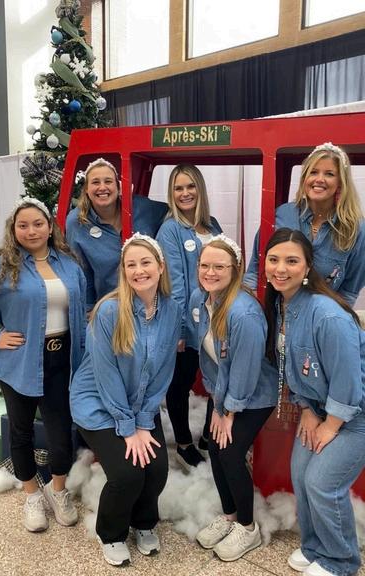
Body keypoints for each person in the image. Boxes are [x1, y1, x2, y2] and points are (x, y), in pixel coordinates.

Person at [0, 197, 86, 533]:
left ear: (50, 227)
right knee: (21, 432)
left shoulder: (69, 263)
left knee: (60, 433)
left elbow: (82, 306)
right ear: (13, 230)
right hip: (20, 360)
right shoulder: (2, 266)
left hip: (63, 359)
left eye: (38, 224)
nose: (31, 231)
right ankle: (32, 495)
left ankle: (57, 490)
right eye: (22, 225)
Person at [69, 233, 181, 567]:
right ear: (124, 271)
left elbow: (163, 370)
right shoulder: (109, 311)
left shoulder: (171, 310)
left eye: (145, 263)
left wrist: (144, 421)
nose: (138, 270)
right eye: (131, 265)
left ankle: (144, 523)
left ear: (160, 267)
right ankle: (111, 533)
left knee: (157, 469)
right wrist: (128, 428)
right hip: (99, 404)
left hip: (141, 401)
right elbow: (106, 374)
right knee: (128, 473)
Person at [264, 227, 365, 576]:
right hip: (319, 408)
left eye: (292, 261)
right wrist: (307, 409)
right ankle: (315, 548)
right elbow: (294, 366)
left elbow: (349, 381)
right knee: (301, 474)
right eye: (274, 259)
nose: (281, 268)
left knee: (323, 483)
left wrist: (331, 425)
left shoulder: (327, 314)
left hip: (354, 413)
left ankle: (340, 561)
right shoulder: (283, 305)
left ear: (308, 267)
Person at [190, 235, 277, 561]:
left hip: (253, 394)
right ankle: (229, 515)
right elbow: (214, 360)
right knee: (213, 448)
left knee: (229, 452)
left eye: (219, 266)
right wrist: (217, 401)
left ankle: (247, 527)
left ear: (235, 269)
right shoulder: (202, 299)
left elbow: (245, 369)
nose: (210, 272)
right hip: (223, 390)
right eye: (205, 265)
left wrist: (228, 411)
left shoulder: (244, 313)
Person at [156, 164, 222, 470]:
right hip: (187, 323)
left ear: (200, 189)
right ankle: (183, 443)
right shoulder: (170, 230)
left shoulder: (213, 225)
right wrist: (180, 330)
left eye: (190, 186)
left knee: (217, 381)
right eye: (178, 188)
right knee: (181, 383)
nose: (185, 193)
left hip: (216, 321)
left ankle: (209, 436)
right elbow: (175, 286)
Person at [245, 142, 365, 306]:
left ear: (341, 182)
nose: (319, 179)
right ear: (304, 178)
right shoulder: (281, 215)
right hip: (275, 312)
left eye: (329, 174)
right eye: (313, 172)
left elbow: (349, 292)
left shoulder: (356, 229)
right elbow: (254, 272)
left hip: (323, 316)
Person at [66, 158, 168, 310]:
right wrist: (89, 311)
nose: (102, 187)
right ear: (86, 189)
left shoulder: (143, 207)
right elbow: (81, 272)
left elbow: (178, 213)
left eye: (108, 181)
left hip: (152, 305)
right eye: (95, 182)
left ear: (118, 186)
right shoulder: (77, 222)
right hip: (111, 309)